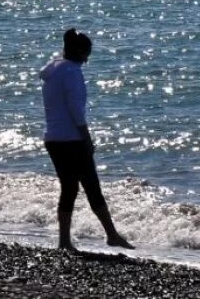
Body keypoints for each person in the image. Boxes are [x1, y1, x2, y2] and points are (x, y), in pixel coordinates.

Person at [40, 28, 133, 252]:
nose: (88, 58)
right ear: (80, 52)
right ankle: (111, 235)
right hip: (71, 139)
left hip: (53, 138)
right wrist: (86, 137)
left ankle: (64, 241)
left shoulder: (52, 70)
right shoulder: (72, 72)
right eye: (87, 53)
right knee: (91, 186)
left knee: (69, 188)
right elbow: (75, 109)